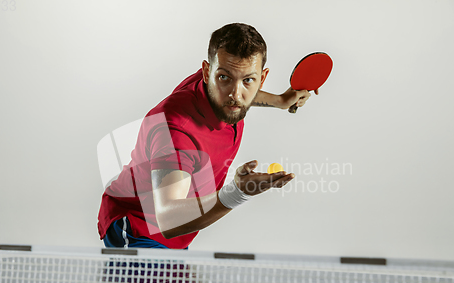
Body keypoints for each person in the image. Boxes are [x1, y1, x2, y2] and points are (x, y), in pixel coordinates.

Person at [97, 23, 317, 249]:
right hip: (138, 229)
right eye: (224, 78)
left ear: (262, 78)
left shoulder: (222, 90)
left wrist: (280, 101)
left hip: (178, 232)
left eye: (247, 80)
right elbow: (168, 218)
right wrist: (237, 193)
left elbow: (238, 88)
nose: (235, 94)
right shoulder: (177, 130)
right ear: (207, 72)